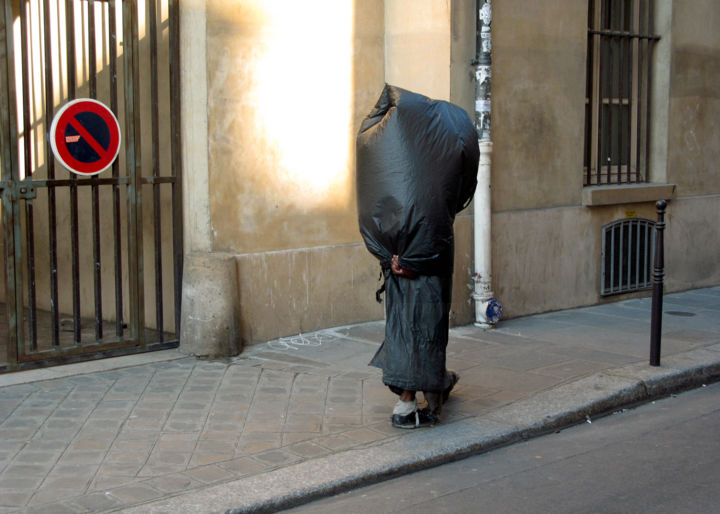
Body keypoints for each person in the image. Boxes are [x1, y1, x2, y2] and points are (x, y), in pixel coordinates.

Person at [356, 85, 478, 430]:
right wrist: (412, 256)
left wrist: (391, 256)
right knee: (426, 324)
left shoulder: (387, 146)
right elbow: (453, 197)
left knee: (403, 326)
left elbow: (376, 203)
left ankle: (411, 398)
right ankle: (420, 396)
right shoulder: (440, 145)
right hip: (428, 256)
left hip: (397, 257)